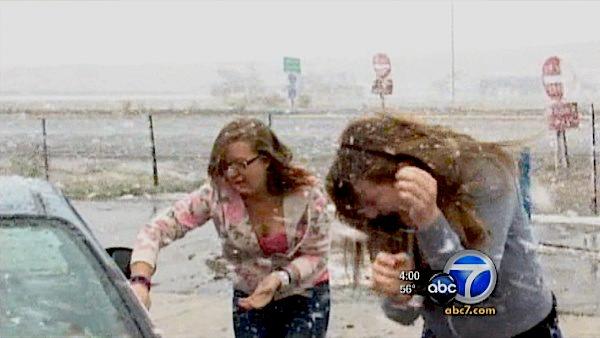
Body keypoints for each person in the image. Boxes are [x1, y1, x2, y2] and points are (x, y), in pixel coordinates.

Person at [325, 114, 562, 338]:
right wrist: (400, 294)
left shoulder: (484, 175)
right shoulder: (383, 217)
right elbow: (404, 315)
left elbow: (474, 287)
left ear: (402, 172)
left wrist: (430, 220)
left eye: (372, 202)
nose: (372, 214)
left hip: (518, 328)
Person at [130, 118, 331, 338]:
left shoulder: (306, 194)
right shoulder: (218, 195)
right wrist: (140, 282)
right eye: (225, 166)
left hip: (304, 294)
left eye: (240, 164)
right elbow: (155, 230)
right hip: (249, 297)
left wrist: (280, 278)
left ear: (266, 160)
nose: (232, 174)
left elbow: (317, 254)